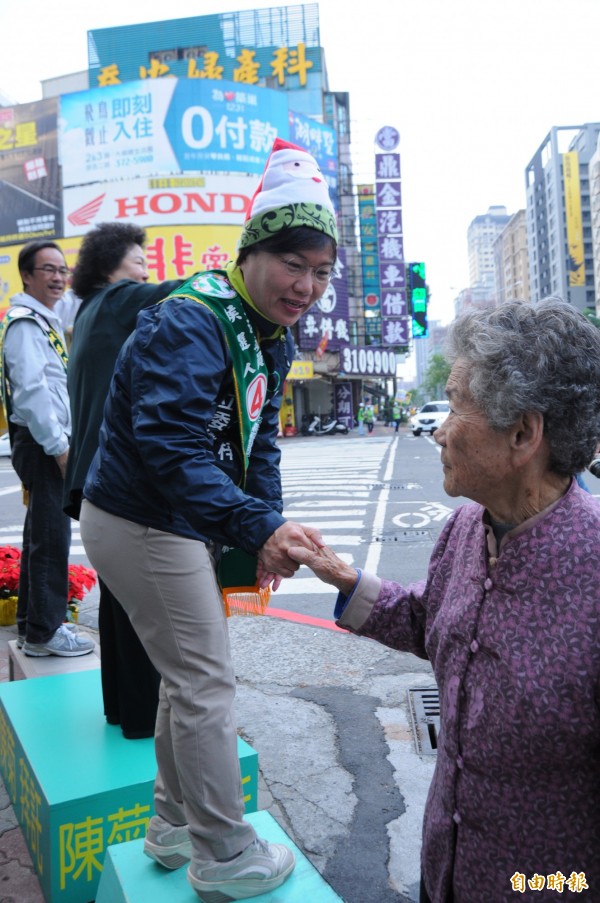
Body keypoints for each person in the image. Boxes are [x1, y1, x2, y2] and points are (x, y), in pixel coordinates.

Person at [79, 138, 336, 901]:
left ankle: (171, 825)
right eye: (295, 263)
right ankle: (224, 853)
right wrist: (255, 524)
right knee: (206, 681)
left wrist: (268, 526)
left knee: (184, 679)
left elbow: (259, 444)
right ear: (253, 249)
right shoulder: (190, 320)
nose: (307, 285)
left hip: (173, 520)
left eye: (322, 272)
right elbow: (170, 447)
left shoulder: (267, 332)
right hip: (142, 518)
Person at [288, 299, 600, 903]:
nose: (437, 427)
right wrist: (342, 577)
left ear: (523, 434)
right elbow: (434, 621)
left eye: (457, 405)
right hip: (446, 865)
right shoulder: (464, 528)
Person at [65, 222, 183, 739]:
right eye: (139, 261)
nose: (145, 270)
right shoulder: (118, 300)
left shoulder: (89, 312)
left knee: (119, 599)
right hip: (117, 474)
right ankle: (141, 717)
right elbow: (184, 291)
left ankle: (121, 708)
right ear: (113, 265)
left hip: (90, 474)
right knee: (146, 606)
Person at [0, 240, 94, 658]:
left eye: (62, 270)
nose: (59, 278)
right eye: (49, 270)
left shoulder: (45, 319)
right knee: (51, 538)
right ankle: (43, 633)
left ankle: (34, 628)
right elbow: (32, 391)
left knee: (42, 534)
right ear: (27, 275)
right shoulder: (24, 324)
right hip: (42, 444)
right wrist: (59, 447)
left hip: (44, 442)